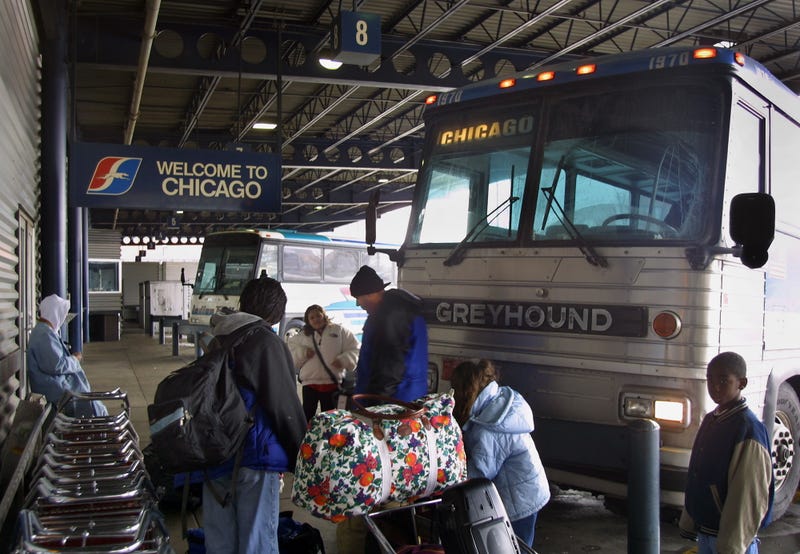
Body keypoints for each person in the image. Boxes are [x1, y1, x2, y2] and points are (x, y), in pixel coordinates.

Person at [202, 276, 307, 554]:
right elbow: (284, 407)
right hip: (254, 457)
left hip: (215, 455)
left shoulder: (218, 338)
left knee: (220, 542)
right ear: (275, 311)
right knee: (257, 543)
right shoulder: (266, 342)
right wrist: (302, 456)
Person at [450, 359, 551, 549]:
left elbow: (480, 473)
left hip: (520, 499)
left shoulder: (488, 429)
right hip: (529, 487)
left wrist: (449, 481)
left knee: (514, 546)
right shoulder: (498, 402)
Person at [679, 351, 774, 554]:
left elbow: (748, 495)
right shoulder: (712, 420)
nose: (715, 387)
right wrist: (689, 520)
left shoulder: (748, 429)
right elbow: (697, 473)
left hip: (730, 540)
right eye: (710, 379)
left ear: (742, 383)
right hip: (708, 532)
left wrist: (732, 544)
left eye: (724, 380)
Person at [349, 265, 428, 402]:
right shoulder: (404, 311)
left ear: (370, 294)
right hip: (409, 395)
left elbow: (389, 368)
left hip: (393, 403)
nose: (358, 304)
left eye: (358, 298)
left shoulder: (389, 317)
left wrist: (376, 405)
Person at [27, 294, 108, 417]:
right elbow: (56, 365)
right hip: (57, 389)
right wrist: (75, 359)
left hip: (58, 386)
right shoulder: (45, 335)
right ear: (55, 312)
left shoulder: (45, 331)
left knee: (94, 403)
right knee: (94, 408)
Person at [288, 304, 360, 421]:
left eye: (318, 315)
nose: (316, 319)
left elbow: (355, 348)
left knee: (330, 418)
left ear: (324, 315)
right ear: (307, 320)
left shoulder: (339, 331)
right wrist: (304, 352)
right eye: (312, 317)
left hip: (332, 384)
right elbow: (290, 349)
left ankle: (329, 438)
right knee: (307, 416)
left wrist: (344, 360)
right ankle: (307, 437)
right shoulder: (303, 335)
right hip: (310, 384)